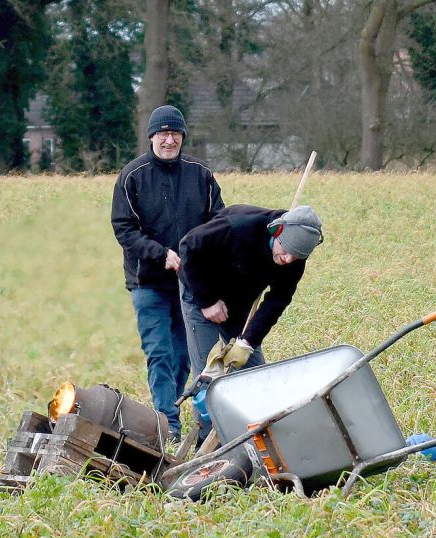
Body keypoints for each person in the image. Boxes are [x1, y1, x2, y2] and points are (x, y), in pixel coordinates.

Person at [111, 105, 225, 442]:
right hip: (148, 282)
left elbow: (217, 221)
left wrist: (200, 258)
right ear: (151, 137)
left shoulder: (200, 174)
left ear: (182, 137)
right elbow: (124, 229)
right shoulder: (132, 176)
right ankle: (168, 425)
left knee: (182, 357)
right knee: (159, 352)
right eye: (163, 133)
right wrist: (161, 254)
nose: (169, 139)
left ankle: (171, 412)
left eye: (175, 133)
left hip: (189, 285)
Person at [178, 204, 324, 380]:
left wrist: (247, 342)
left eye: (296, 257)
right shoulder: (238, 226)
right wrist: (208, 301)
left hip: (239, 304)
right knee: (208, 374)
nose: (287, 260)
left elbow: (278, 299)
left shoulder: (296, 256)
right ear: (276, 232)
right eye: (285, 251)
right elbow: (188, 247)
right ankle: (206, 402)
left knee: (256, 375)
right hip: (201, 292)